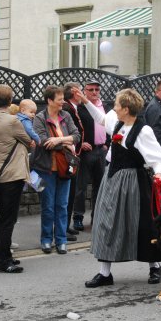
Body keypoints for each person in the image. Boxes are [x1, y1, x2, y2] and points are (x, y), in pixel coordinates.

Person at [75, 87, 161, 287]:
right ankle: (105, 273)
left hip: (134, 181)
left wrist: (158, 176)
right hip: (112, 178)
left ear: (125, 108)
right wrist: (85, 101)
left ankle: (154, 266)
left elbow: (157, 157)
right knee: (107, 222)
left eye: (116, 105)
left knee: (142, 224)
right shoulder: (117, 123)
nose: (113, 108)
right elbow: (100, 119)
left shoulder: (143, 130)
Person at [0, 85, 32, 273]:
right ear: (11, 102)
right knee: (7, 220)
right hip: (11, 176)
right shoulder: (13, 121)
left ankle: (6, 256)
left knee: (4, 217)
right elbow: (29, 141)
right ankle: (2, 262)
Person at [31, 85, 80, 255]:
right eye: (59, 100)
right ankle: (46, 240)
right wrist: (66, 143)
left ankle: (61, 240)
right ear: (49, 100)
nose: (63, 102)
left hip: (65, 169)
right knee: (48, 206)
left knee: (62, 205)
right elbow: (43, 142)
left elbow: (77, 136)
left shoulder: (66, 116)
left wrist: (60, 140)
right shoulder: (39, 118)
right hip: (46, 169)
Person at [72, 79, 108, 231]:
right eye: (91, 89)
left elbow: (111, 125)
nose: (94, 92)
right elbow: (74, 129)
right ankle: (78, 218)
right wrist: (81, 144)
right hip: (87, 152)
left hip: (101, 150)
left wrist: (108, 143)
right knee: (80, 187)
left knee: (99, 187)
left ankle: (96, 217)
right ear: (84, 91)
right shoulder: (80, 108)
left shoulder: (104, 106)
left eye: (96, 90)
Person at [62, 82, 85, 241]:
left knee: (70, 193)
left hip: (74, 154)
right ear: (74, 92)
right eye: (81, 91)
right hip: (68, 156)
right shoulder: (67, 108)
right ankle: (62, 227)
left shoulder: (73, 108)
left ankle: (65, 225)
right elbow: (68, 132)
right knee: (67, 194)